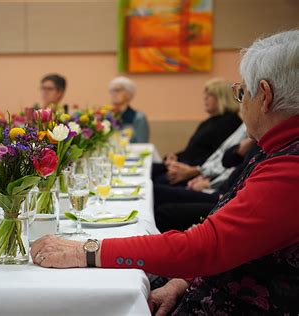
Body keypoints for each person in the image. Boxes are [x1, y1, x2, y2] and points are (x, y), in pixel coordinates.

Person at [30, 30, 299, 314]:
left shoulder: (290, 168)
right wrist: (182, 281)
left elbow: (205, 246)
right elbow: (234, 244)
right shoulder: (277, 149)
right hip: (208, 286)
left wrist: (85, 250)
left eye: (242, 92)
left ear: (265, 96)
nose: (240, 103)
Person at [153, 78, 243, 185]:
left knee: (153, 183)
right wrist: (175, 157)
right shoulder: (210, 121)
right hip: (185, 165)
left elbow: (216, 157)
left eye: (209, 95)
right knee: (150, 169)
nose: (205, 98)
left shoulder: (229, 122)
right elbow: (193, 150)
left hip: (196, 173)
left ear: (222, 97)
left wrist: (187, 167)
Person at [109, 76, 149, 143]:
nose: (113, 94)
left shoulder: (139, 117)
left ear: (129, 94)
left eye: (117, 90)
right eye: (111, 90)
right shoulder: (106, 116)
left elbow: (142, 143)